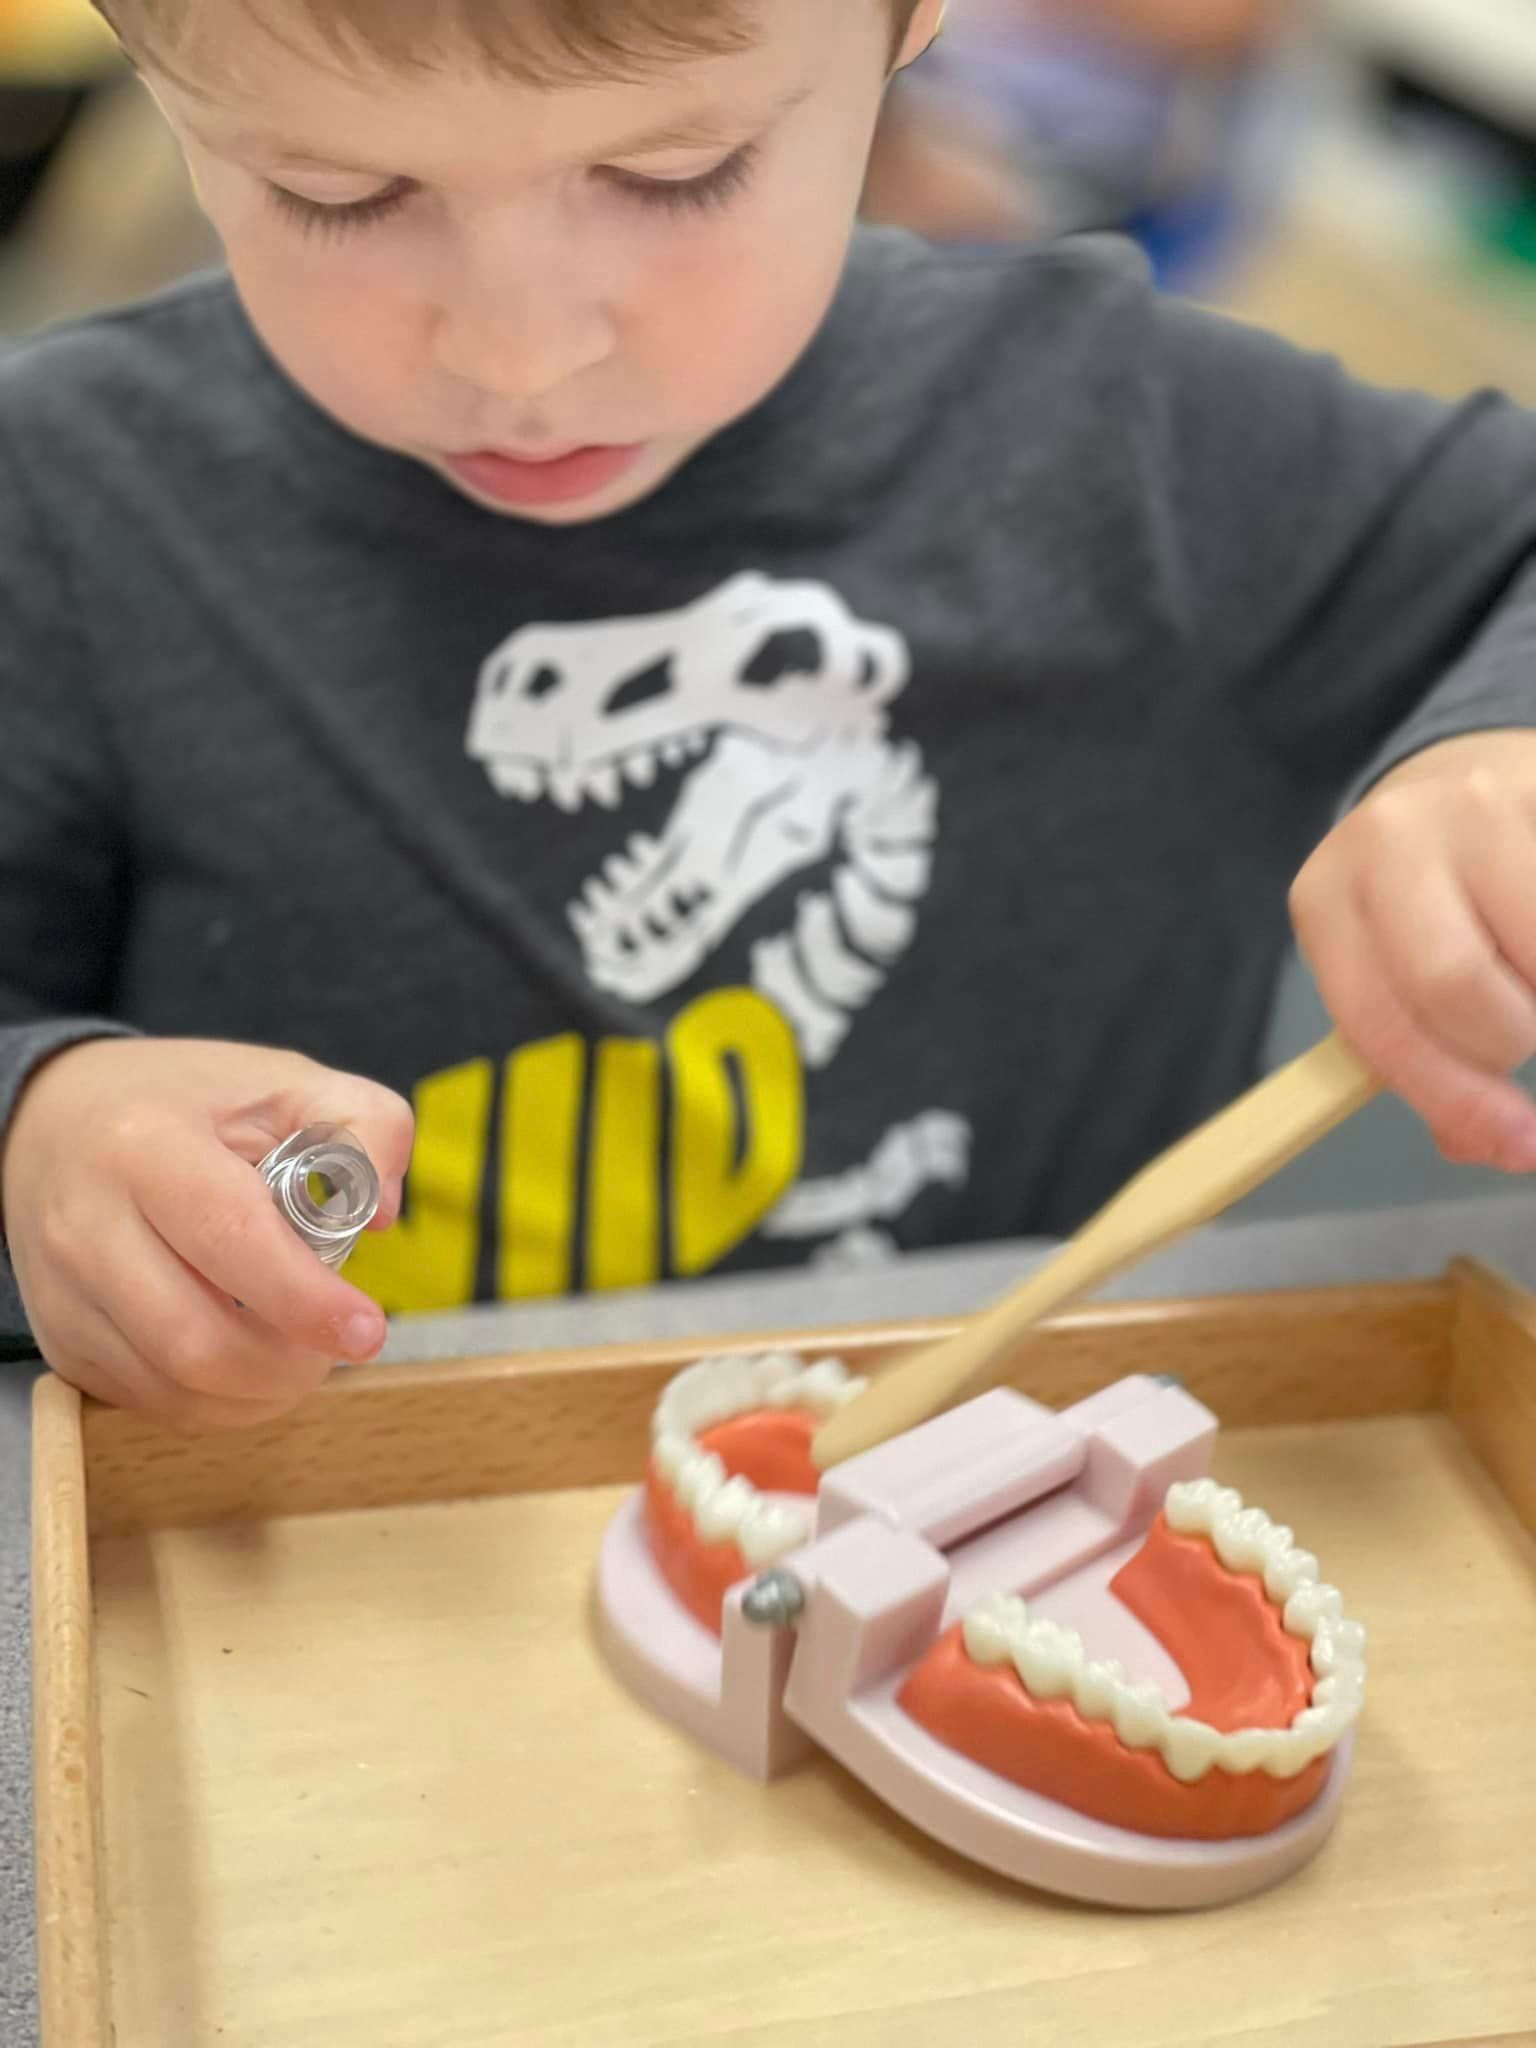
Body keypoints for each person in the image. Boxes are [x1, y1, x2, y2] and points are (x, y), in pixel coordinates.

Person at [2, 0, 1535, 1435]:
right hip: (339, 1575)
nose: (522, 356)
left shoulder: (1136, 439)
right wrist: (42, 1131)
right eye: (337, 194)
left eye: (679, 169)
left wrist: (1497, 748)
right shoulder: (65, 507)